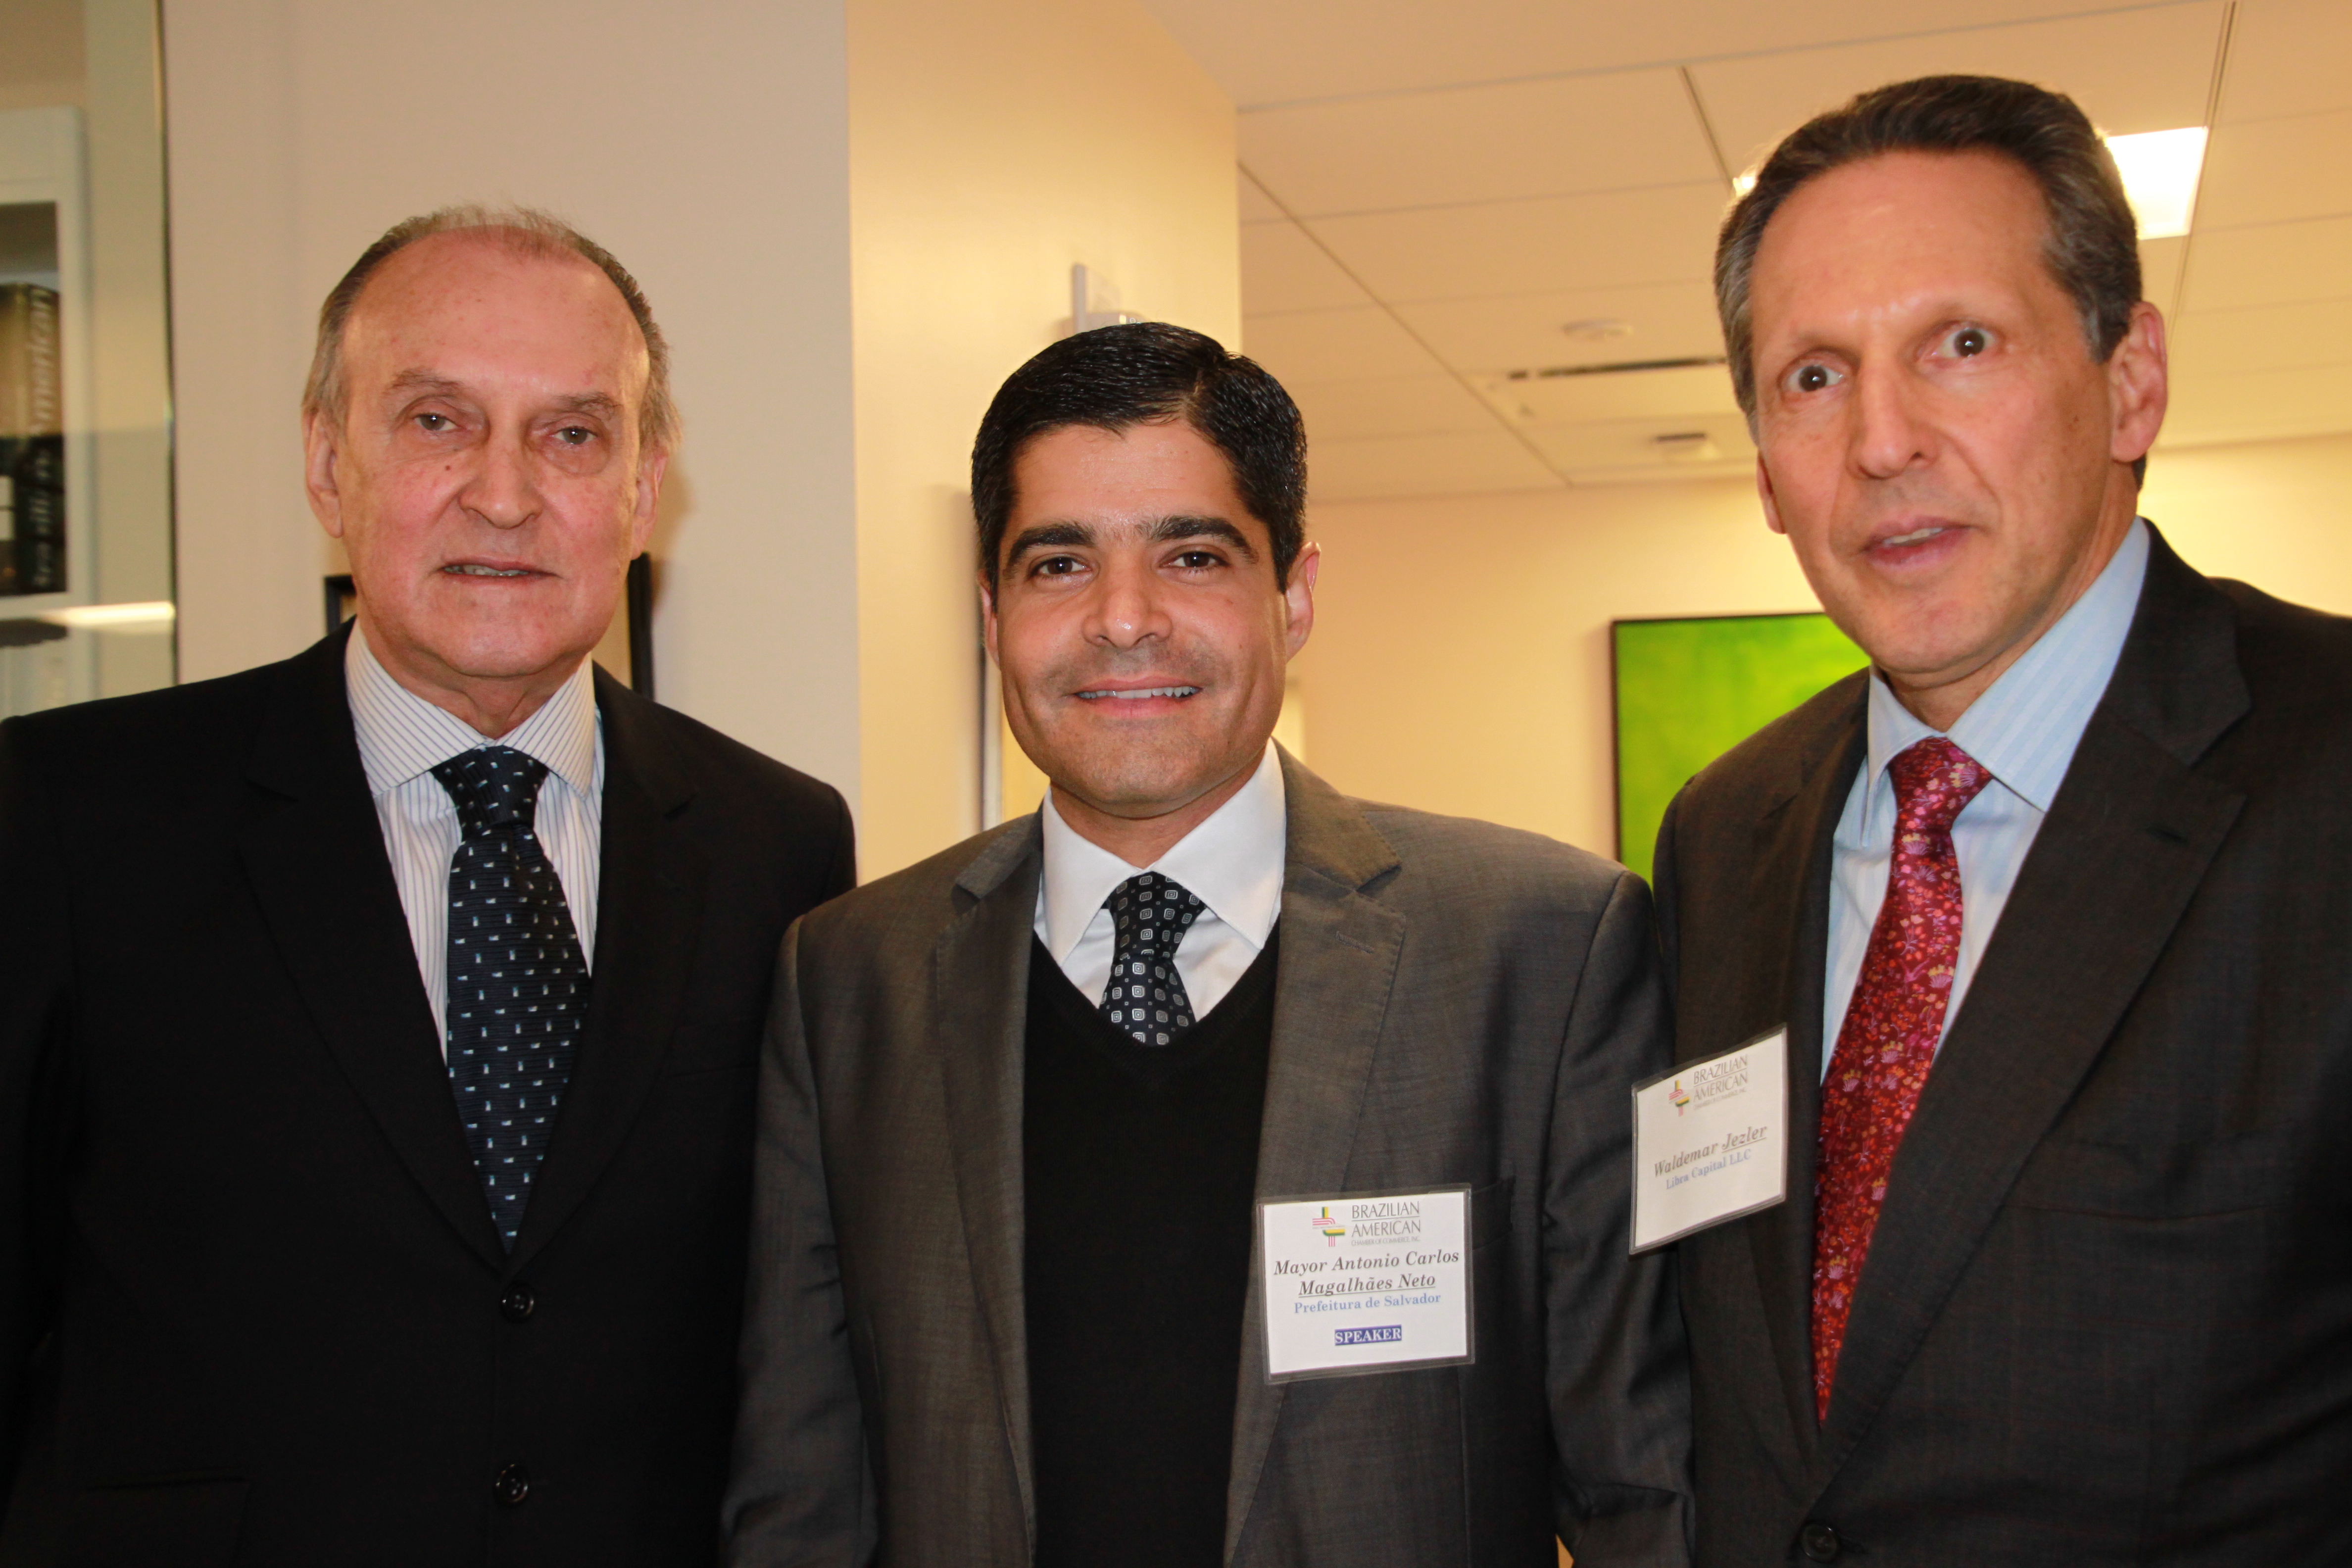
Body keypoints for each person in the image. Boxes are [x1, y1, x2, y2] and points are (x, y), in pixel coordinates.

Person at [721, 322, 1690, 1568]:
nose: (1124, 621)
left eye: (1191, 556)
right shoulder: (852, 981)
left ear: (1294, 596)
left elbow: (1638, 1488)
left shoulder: (1539, 951)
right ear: (992, 615)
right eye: (1059, 564)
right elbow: (801, 1495)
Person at [0, 206, 854, 1565]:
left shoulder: (780, 846)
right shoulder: (68, 816)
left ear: (644, 490)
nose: (504, 495)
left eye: (572, 434)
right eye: (438, 421)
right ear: (326, 462)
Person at [1655, 74, 2352, 1566]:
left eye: (1961, 345)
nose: (1883, 441)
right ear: (1766, 470)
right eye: (1814, 377)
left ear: (2131, 380)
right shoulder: (1724, 835)